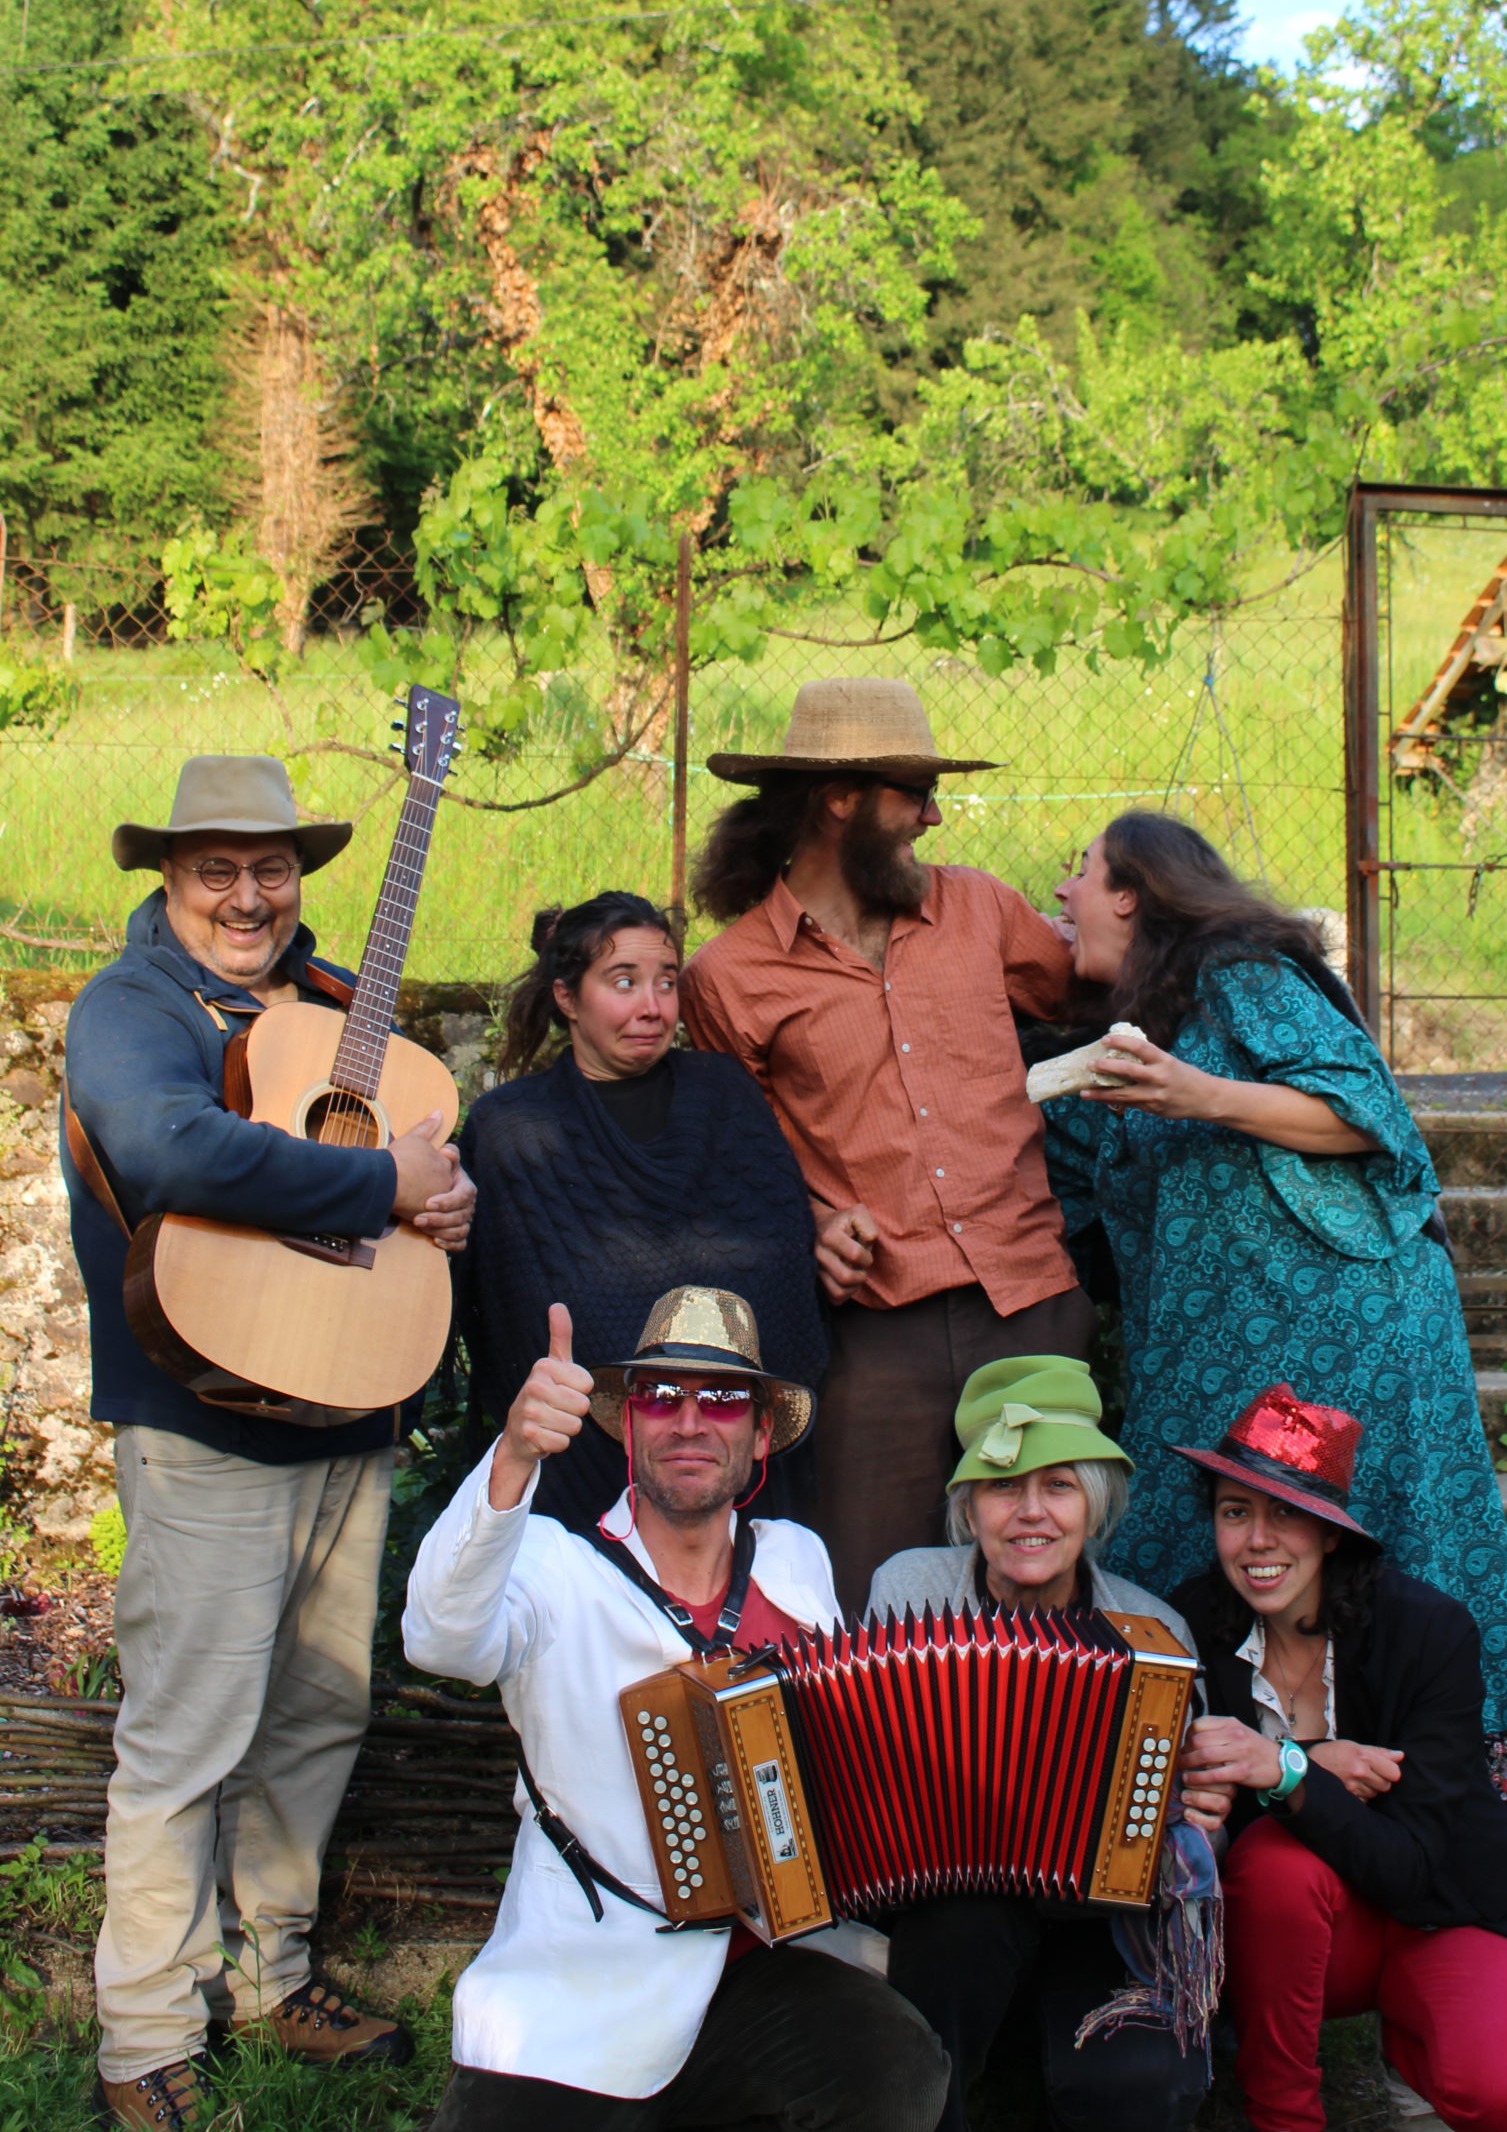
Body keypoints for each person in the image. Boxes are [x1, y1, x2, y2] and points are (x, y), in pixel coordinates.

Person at [59, 755, 476, 2130]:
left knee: (316, 1713)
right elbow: (172, 1151)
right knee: (188, 1731)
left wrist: (440, 1200)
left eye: (273, 869)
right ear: (168, 877)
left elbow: (414, 1160)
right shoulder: (131, 1007)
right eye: (217, 871)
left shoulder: (340, 1002)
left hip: (348, 1407)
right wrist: (378, 1178)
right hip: (206, 1413)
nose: (249, 897)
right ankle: (144, 2030)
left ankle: (269, 1973)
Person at [1042, 809, 1507, 1747]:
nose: (1062, 894)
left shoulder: (1235, 972)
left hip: (1345, 1326)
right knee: (1189, 1531)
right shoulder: (1137, 1026)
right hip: (1215, 1344)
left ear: (1132, 894)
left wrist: (1200, 1095)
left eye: (1082, 872)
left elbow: (1366, 1114)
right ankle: (1187, 1765)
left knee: (1368, 1538)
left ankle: (1423, 1770)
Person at [402, 1283, 949, 2132]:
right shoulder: (550, 1566)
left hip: (765, 1964)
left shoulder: (794, 1560)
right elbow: (439, 1639)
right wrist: (513, 1456)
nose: (690, 1422)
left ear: (759, 1435)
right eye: (661, 1396)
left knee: (895, 2067)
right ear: (629, 1427)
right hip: (584, 1979)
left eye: (723, 1399)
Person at [680, 676, 1092, 1609]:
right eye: (915, 793)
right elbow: (744, 1163)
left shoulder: (981, 909)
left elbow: (1098, 992)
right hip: (872, 1336)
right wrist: (812, 1224)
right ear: (841, 800)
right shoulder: (728, 977)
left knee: (1053, 1593)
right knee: (878, 1604)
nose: (933, 816)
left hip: (1028, 1300)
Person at [1171, 1387, 1507, 2132]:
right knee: (1273, 1865)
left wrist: (1286, 1768)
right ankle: (1282, 2113)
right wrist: (1305, 1762)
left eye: (1285, 1514)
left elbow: (1414, 1859)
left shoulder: (1428, 1630)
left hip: (1446, 1903)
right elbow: (1206, 1808)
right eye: (1235, 1512)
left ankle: (1414, 2037)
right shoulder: (1191, 1624)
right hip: (1300, 1925)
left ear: (1330, 1532)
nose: (1258, 1541)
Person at [870, 1356, 1214, 2132]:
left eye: (1058, 1486)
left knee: (1142, 2088)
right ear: (969, 1509)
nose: (1030, 1513)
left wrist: (1196, 1814)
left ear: (1094, 1506)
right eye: (1002, 1487)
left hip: (1103, 1920)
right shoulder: (908, 1592)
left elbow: (1193, 1815)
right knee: (956, 1930)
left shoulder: (1154, 1631)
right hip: (955, 1905)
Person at [455, 891, 826, 1534]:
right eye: (623, 983)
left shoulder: (724, 1094)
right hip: (581, 1460)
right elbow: (505, 1307)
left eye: (666, 982)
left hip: (733, 1442)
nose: (652, 1007)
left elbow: (785, 1260)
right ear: (567, 997)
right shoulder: (512, 1128)